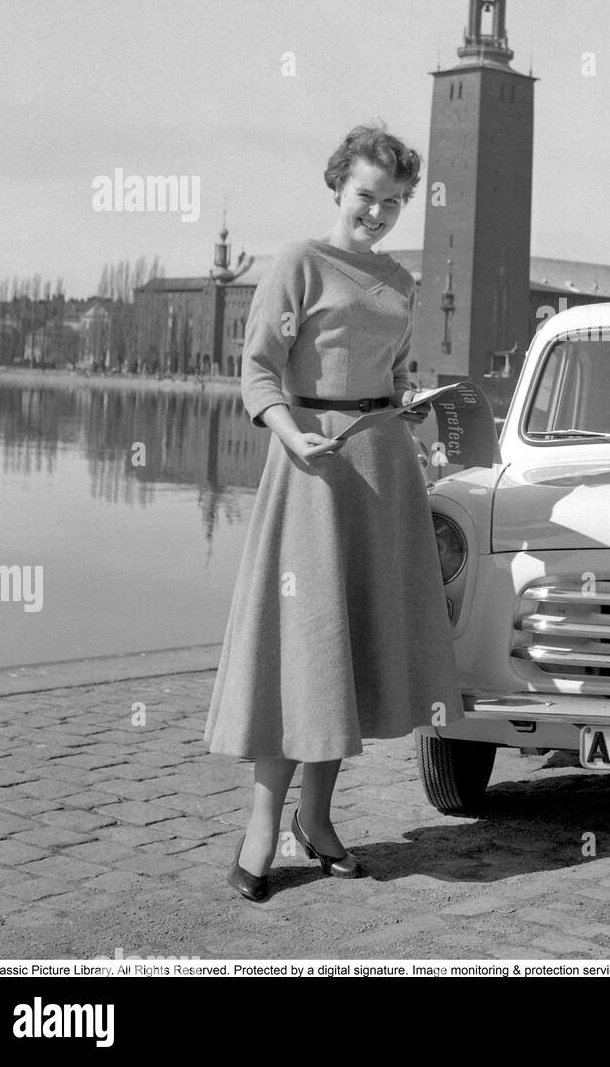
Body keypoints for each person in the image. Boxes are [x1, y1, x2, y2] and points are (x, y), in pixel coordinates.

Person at [204, 124, 464, 901]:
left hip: (381, 466)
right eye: (366, 196)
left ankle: (315, 821)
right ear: (337, 187)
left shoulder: (399, 280)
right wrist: (290, 436)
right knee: (304, 648)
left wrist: (408, 402)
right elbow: (258, 372)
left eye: (393, 202)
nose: (377, 213)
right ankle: (262, 831)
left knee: (347, 652)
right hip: (311, 468)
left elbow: (388, 372)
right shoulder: (299, 262)